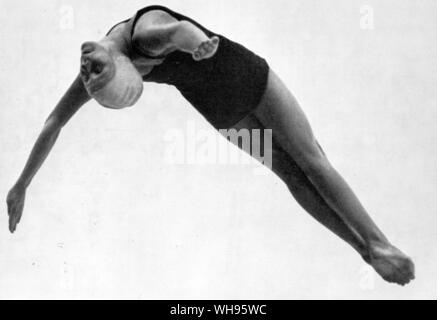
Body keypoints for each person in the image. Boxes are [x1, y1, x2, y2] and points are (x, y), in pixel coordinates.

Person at [6, 5, 415, 285]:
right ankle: (374, 244)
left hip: (220, 104)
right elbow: (55, 123)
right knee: (306, 162)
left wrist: (21, 182)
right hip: (239, 81)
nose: (86, 69)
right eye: (95, 74)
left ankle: (368, 248)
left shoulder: (130, 47)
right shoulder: (136, 43)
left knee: (298, 169)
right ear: (127, 66)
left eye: (90, 72)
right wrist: (24, 182)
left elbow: (54, 120)